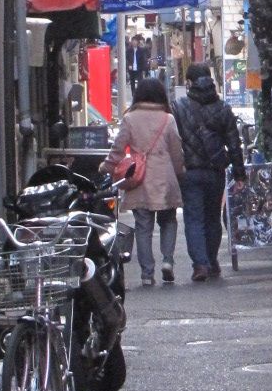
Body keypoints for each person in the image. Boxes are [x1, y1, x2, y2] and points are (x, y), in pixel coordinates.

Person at [105, 78, 185, 286]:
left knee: (143, 226)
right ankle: (167, 261)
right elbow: (176, 150)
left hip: (138, 178)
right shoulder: (168, 119)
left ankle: (147, 273)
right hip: (164, 176)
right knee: (168, 221)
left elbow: (118, 148)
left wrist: (107, 167)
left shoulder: (130, 119)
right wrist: (179, 172)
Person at [173, 62, 246, 282]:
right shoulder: (223, 108)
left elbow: (174, 142)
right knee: (213, 217)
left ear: (189, 82)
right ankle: (212, 261)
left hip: (190, 171)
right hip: (215, 170)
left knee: (194, 218)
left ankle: (200, 265)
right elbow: (234, 144)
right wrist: (240, 174)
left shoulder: (179, 107)